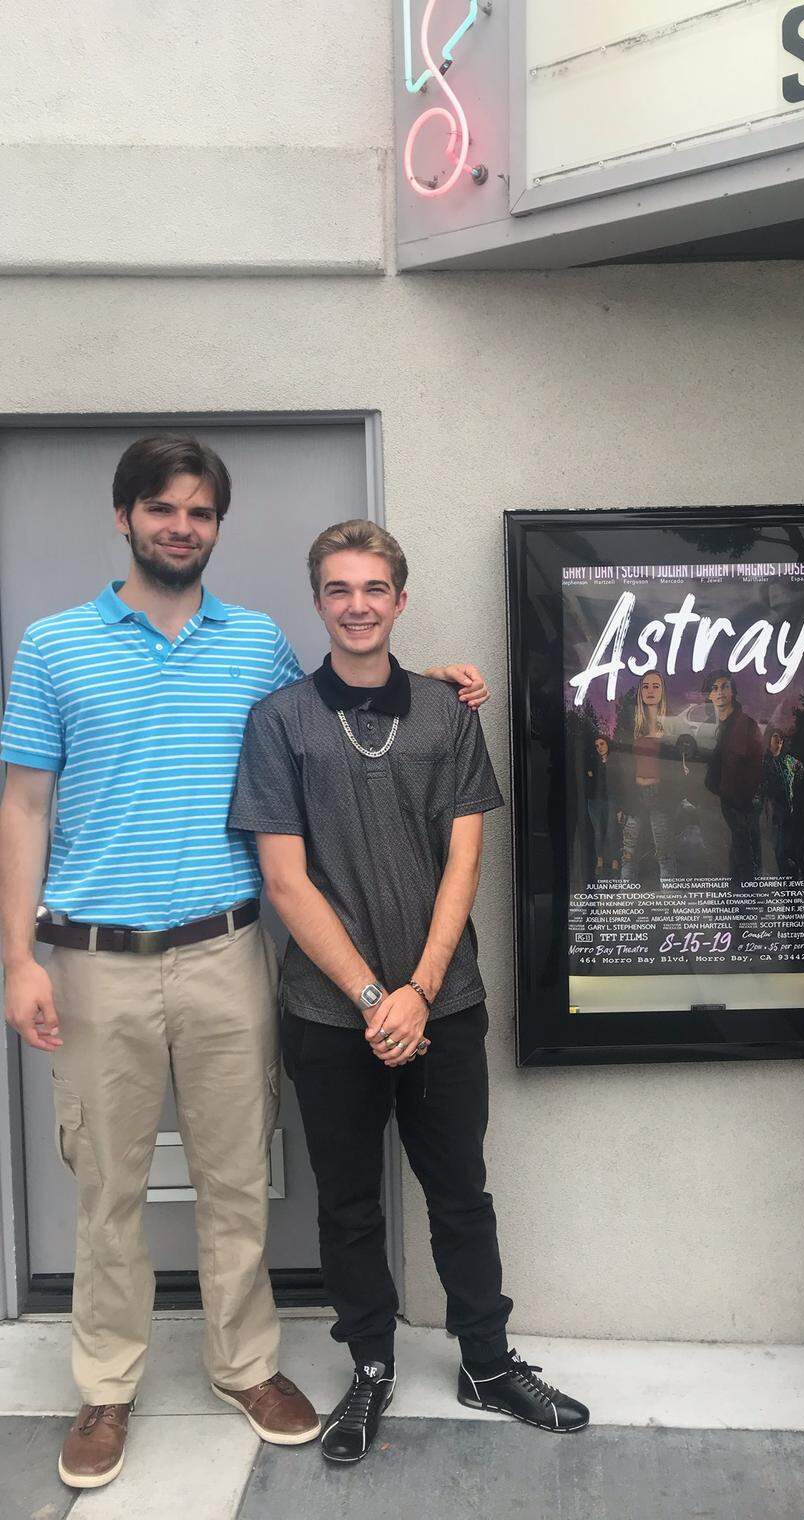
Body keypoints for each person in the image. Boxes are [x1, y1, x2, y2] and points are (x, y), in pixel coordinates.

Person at [0, 435, 487, 1491]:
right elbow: (23, 804)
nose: (182, 526)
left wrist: (437, 679)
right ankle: (108, 1383)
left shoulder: (254, 641)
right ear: (123, 516)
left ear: (218, 525)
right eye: (163, 509)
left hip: (226, 947)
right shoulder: (52, 646)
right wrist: (17, 956)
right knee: (108, 1185)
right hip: (94, 957)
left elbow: (342, 691)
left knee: (234, 1175)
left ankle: (245, 1364)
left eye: (201, 512)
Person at [228, 519, 589, 1465]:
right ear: (319, 601)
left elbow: (468, 859)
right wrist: (368, 997)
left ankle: (485, 1361)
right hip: (326, 1015)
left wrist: (419, 993)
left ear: (399, 598)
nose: (357, 605)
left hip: (446, 1004)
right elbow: (285, 880)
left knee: (460, 1193)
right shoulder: (279, 722)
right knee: (347, 1203)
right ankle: (373, 1369)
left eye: (374, 588)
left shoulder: (446, 712)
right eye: (339, 589)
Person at [703, 670, 764, 884]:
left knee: (742, 853)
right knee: (733, 853)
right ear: (709, 695)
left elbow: (756, 765)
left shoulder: (746, 724)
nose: (719, 692)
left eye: (725, 686)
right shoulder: (713, 726)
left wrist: (740, 798)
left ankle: (745, 901)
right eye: (714, 688)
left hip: (739, 803)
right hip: (722, 801)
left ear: (733, 692)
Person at [621, 671, 674, 888]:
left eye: (656, 686)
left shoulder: (671, 725)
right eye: (645, 686)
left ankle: (671, 901)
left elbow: (676, 767)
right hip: (636, 794)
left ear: (663, 691)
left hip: (660, 794)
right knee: (628, 851)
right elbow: (622, 766)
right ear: (640, 692)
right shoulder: (631, 723)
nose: (650, 691)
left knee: (664, 851)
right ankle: (625, 897)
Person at [762, 727, 804, 875]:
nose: (778, 740)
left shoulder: (788, 760)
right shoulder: (764, 761)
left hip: (787, 807)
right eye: (775, 737)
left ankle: (787, 868)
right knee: (776, 843)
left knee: (786, 840)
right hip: (771, 807)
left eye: (780, 738)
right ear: (768, 741)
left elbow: (800, 770)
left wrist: (793, 788)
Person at [584, 733, 622, 878]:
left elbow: (619, 784)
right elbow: (589, 780)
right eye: (597, 745)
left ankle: (614, 861)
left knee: (612, 831)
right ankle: (599, 860)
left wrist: (620, 807)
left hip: (611, 800)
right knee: (598, 832)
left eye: (602, 744)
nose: (600, 747)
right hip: (594, 801)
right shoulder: (593, 761)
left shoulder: (615, 761)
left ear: (607, 744)